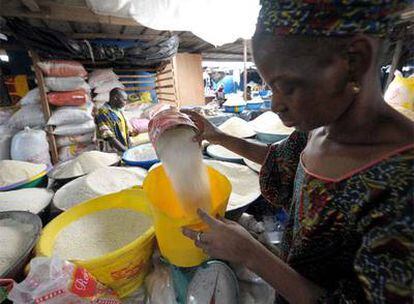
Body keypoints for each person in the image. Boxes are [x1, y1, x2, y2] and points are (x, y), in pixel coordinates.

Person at [182, 1, 414, 303]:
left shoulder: (402, 184)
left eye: (287, 87)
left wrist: (251, 253)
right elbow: (278, 160)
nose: (274, 105)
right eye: (270, 87)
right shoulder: (319, 127)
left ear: (354, 60)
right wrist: (218, 135)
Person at [96, 88, 130, 153]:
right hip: (112, 152)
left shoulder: (119, 111)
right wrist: (126, 151)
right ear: (115, 98)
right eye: (124, 100)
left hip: (122, 149)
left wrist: (129, 146)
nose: (125, 103)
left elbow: (125, 130)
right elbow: (109, 137)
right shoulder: (103, 113)